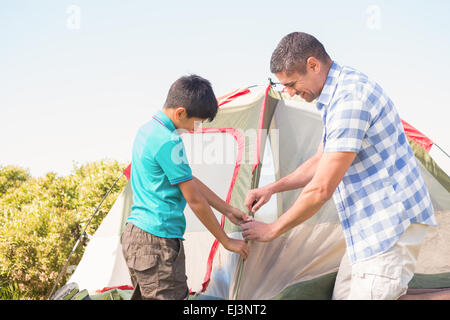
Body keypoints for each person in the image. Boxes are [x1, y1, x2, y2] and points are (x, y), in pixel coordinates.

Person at [241, 32, 437, 300]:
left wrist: (272, 230)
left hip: (389, 225)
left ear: (313, 65)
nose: (288, 92)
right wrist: (272, 189)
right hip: (367, 228)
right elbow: (321, 161)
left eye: (290, 83)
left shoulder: (349, 100)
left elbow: (321, 188)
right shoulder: (333, 94)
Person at [122, 74, 251, 300]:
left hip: (138, 236)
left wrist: (228, 211)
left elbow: (190, 181)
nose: (195, 130)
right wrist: (226, 240)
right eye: (196, 123)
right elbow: (194, 200)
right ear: (180, 112)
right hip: (157, 240)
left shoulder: (147, 130)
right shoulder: (169, 140)